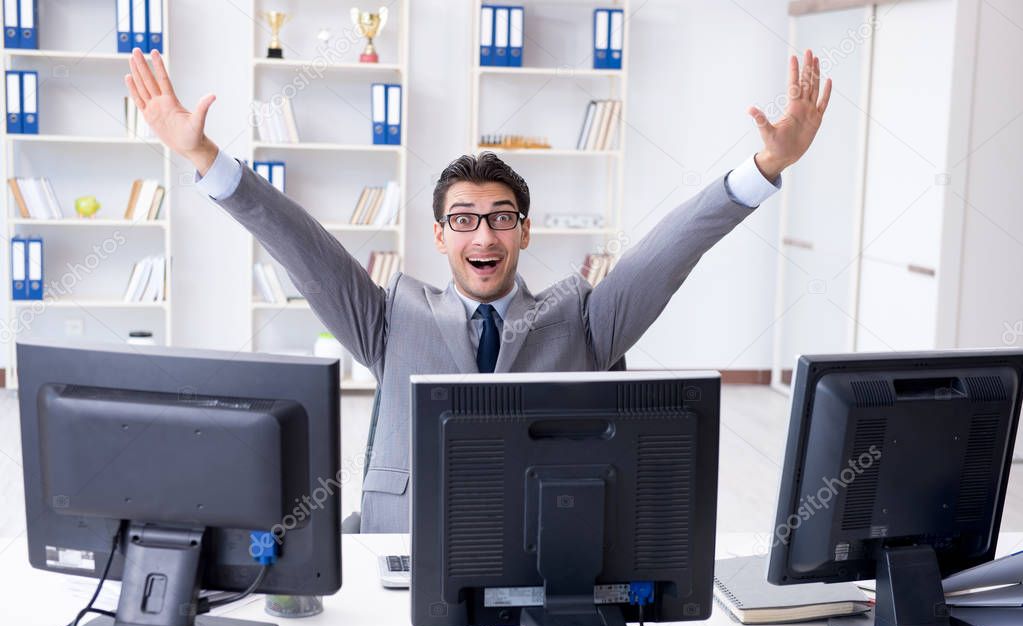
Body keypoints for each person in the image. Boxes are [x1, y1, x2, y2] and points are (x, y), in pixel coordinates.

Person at [124, 46, 831, 533]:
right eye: (463, 220)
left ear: (524, 230)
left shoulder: (582, 318)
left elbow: (670, 250)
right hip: (404, 545)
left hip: (542, 538)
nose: (483, 237)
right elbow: (301, 246)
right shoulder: (389, 318)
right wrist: (203, 158)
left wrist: (764, 166)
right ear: (439, 236)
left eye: (499, 219)